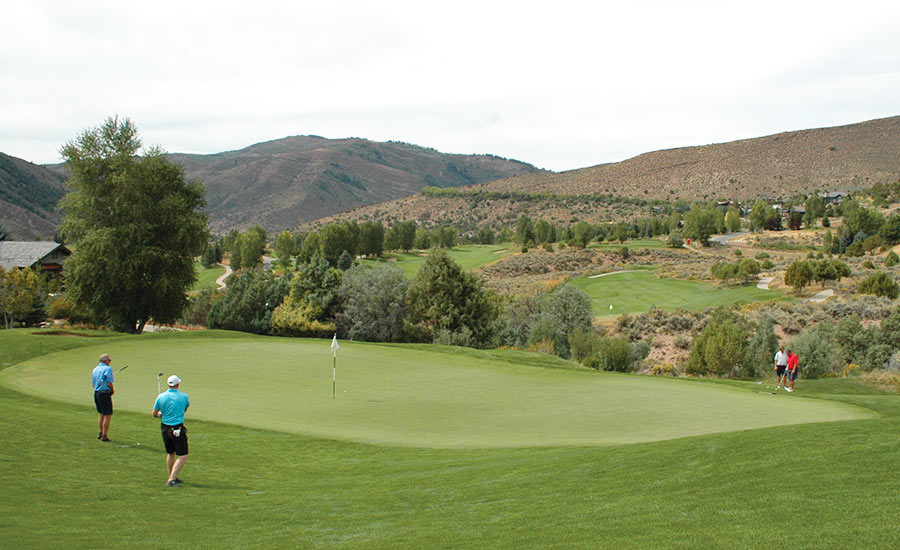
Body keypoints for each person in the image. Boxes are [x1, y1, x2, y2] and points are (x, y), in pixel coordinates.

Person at [152, 374, 191, 487]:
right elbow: (185, 409)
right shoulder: (184, 397)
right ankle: (171, 480)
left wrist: (161, 414)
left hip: (164, 428)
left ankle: (172, 476)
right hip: (177, 428)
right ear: (178, 384)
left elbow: (154, 414)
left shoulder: (161, 397)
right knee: (183, 455)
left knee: (171, 453)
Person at [91, 353, 115, 442]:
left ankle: (100, 433)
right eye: (109, 360)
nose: (110, 362)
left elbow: (94, 384)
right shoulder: (108, 369)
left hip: (97, 393)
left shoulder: (95, 369)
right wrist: (112, 390)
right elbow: (109, 383)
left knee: (101, 414)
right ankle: (104, 435)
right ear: (106, 361)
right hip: (104, 393)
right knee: (107, 414)